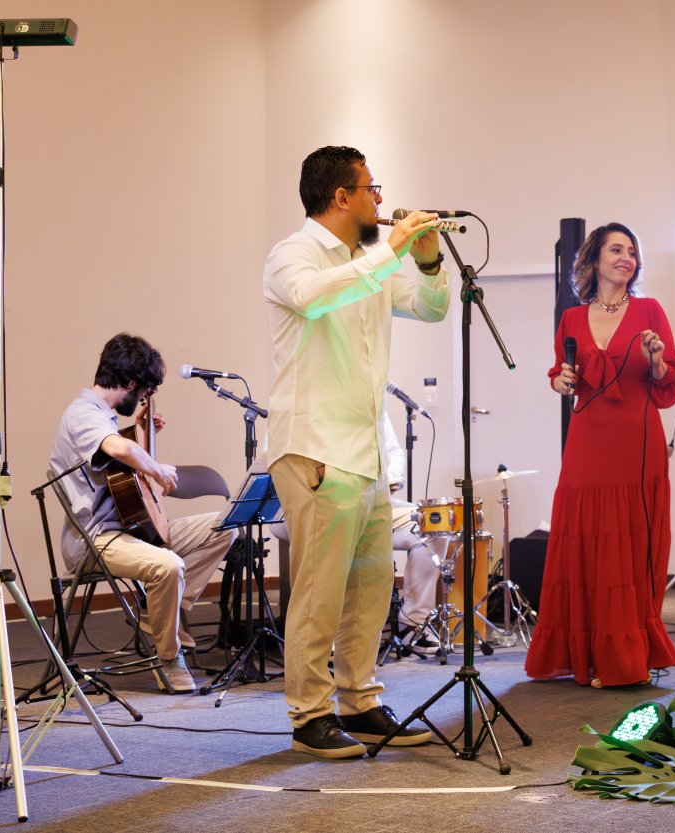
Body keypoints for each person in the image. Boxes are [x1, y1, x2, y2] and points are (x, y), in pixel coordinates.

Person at [264, 145, 448, 759]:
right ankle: (309, 715)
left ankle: (359, 699)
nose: (380, 199)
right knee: (320, 592)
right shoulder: (292, 255)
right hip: (316, 449)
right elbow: (316, 298)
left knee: (371, 587)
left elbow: (432, 307)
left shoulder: (370, 263)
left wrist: (427, 260)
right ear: (341, 197)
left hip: (365, 452)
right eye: (372, 188)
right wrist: (390, 250)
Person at [524, 222, 675, 688]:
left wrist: (656, 359)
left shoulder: (649, 310)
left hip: (637, 444)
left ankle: (625, 655)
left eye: (632, 252)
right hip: (587, 443)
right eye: (616, 250)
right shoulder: (572, 318)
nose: (626, 258)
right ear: (594, 260)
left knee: (628, 548)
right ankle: (588, 653)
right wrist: (559, 382)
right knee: (585, 542)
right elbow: (561, 373)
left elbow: (668, 384)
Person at [49, 333, 235, 693]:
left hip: (131, 530)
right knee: (169, 565)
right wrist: (157, 468)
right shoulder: (83, 413)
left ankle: (164, 609)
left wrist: (141, 432)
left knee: (226, 526)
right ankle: (170, 655)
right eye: (144, 392)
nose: (142, 399)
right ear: (132, 384)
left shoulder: (103, 419)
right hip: (98, 539)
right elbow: (118, 449)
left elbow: (122, 477)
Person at [383, 411, 444, 654]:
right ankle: (331, 638)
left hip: (376, 499)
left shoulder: (373, 400)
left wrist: (388, 480)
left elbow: (393, 452)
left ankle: (413, 623)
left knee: (433, 525)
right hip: (327, 501)